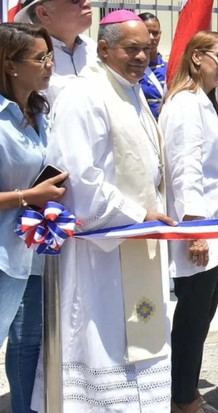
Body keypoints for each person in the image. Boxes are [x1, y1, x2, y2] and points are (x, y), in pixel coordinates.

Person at [30, 10, 176, 412]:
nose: (142, 57)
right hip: (100, 249)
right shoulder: (84, 94)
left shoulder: (132, 92)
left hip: (137, 241)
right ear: (105, 47)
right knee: (101, 339)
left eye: (147, 49)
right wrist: (137, 214)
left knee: (141, 335)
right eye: (132, 49)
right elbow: (77, 178)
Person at [160, 30, 218, 413]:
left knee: (201, 317)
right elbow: (185, 169)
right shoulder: (187, 104)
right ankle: (182, 399)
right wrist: (195, 229)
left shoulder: (208, 103)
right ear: (196, 58)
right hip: (200, 229)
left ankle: (186, 392)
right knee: (192, 321)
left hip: (217, 229)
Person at [0, 22, 67, 413]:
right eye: (39, 58)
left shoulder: (41, 110)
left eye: (50, 56)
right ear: (10, 65)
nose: (49, 65)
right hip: (4, 255)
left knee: (28, 342)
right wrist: (30, 195)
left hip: (36, 249)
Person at [16, 0, 97, 105]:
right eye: (75, 0)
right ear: (44, 13)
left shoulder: (93, 47)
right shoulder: (26, 58)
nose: (87, 3)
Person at [139, 12, 167, 119]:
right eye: (146, 32)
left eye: (155, 33)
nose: (151, 37)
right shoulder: (130, 69)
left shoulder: (170, 68)